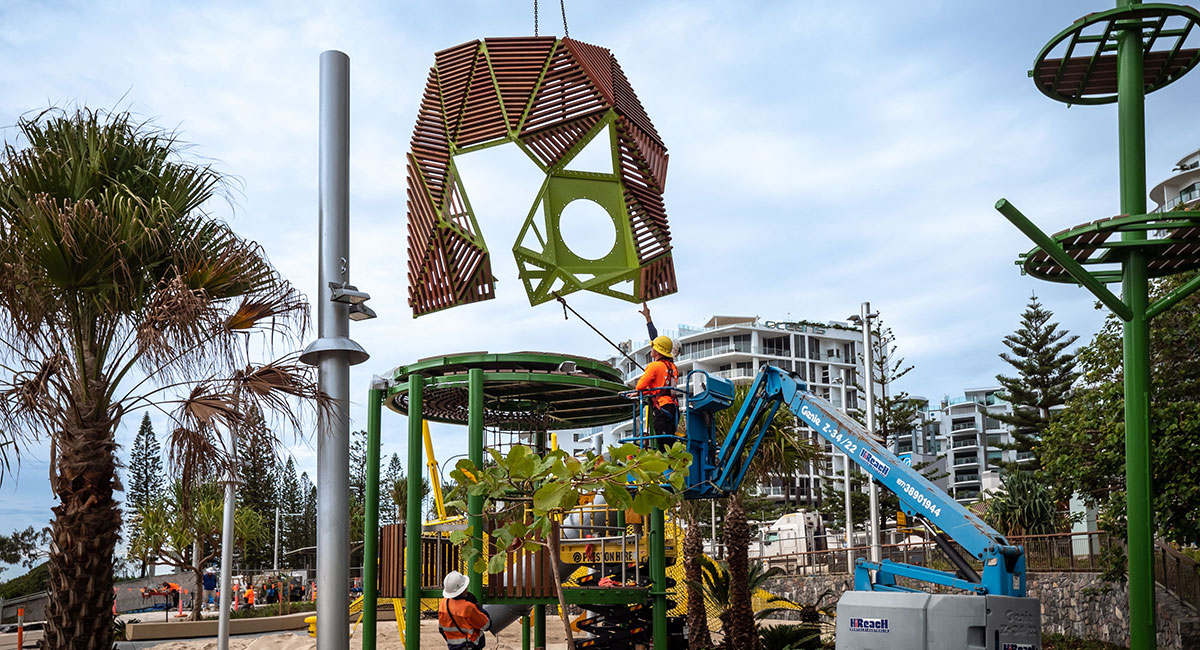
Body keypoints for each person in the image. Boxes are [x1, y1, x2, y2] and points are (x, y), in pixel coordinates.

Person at [636, 302, 679, 447]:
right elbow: (656, 339)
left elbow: (640, 386)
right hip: (673, 407)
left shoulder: (654, 366)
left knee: (663, 445)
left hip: (661, 408)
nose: (651, 349)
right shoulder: (672, 367)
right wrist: (648, 319)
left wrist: (641, 392)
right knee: (669, 443)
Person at [438, 571, 491, 650]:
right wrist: (477, 605)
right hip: (471, 646)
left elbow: (441, 629)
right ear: (463, 588)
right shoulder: (468, 607)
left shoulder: (443, 603)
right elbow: (487, 625)